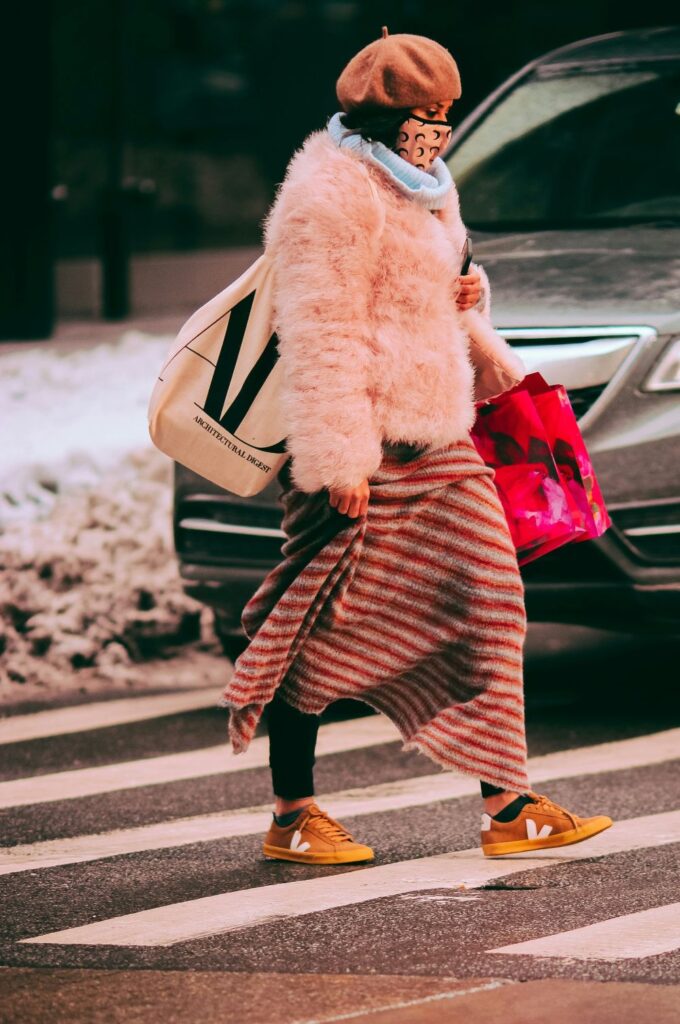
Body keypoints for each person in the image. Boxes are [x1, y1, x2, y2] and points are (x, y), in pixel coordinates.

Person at [219, 27, 613, 864]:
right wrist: (339, 461)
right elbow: (321, 331)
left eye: (445, 113)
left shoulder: (425, 183)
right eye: (426, 115)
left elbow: (446, 281)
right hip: (362, 447)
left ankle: (508, 805)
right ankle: (292, 813)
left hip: (438, 432)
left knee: (493, 603)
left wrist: (470, 287)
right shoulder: (329, 194)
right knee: (320, 634)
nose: (438, 128)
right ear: (382, 116)